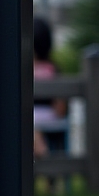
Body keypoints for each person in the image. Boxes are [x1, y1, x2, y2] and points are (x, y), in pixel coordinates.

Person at [33, 16, 68, 157]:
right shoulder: (54, 69)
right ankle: (42, 149)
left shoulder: (24, 70)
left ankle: (40, 149)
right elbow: (60, 105)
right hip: (47, 116)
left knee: (31, 122)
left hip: (42, 117)